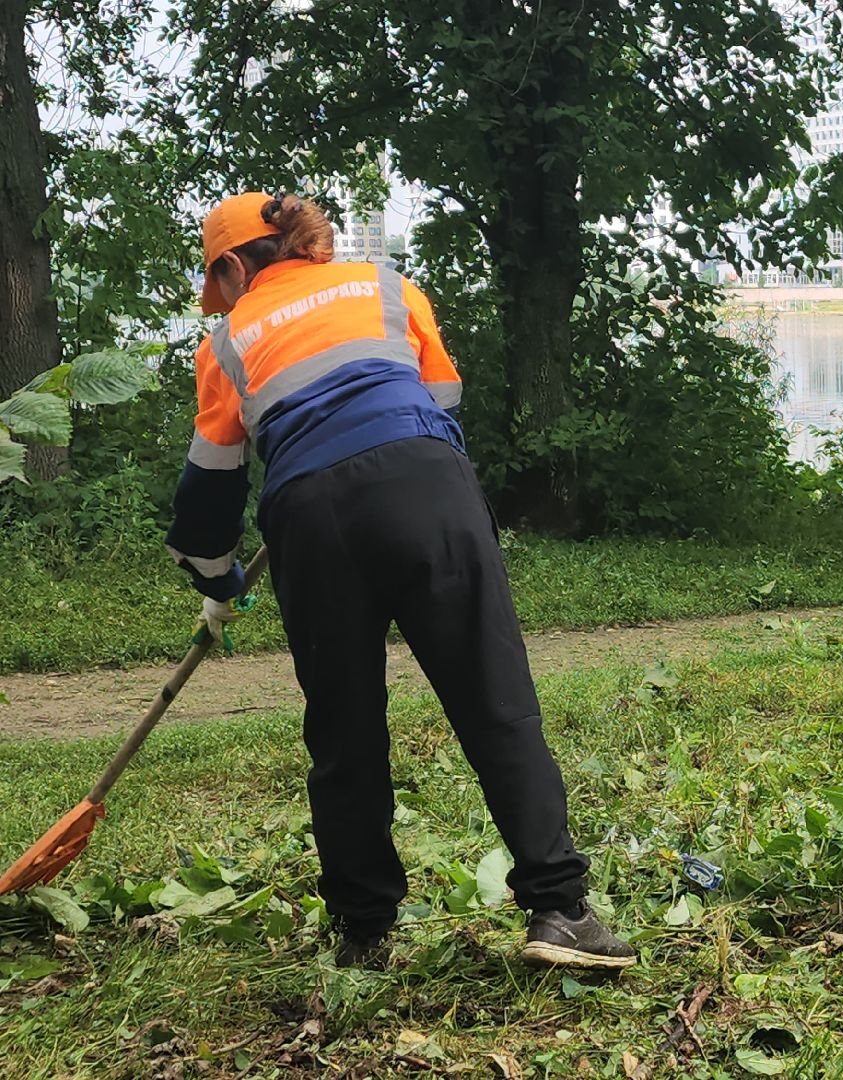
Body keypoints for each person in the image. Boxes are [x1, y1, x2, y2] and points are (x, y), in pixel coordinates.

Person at [164, 191, 634, 970]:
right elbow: (440, 396)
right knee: (495, 701)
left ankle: (363, 933)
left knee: (344, 730)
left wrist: (217, 582)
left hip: (309, 514)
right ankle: (559, 909)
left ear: (234, 266)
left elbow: (208, 491)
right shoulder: (386, 286)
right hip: (425, 484)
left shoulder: (226, 344)